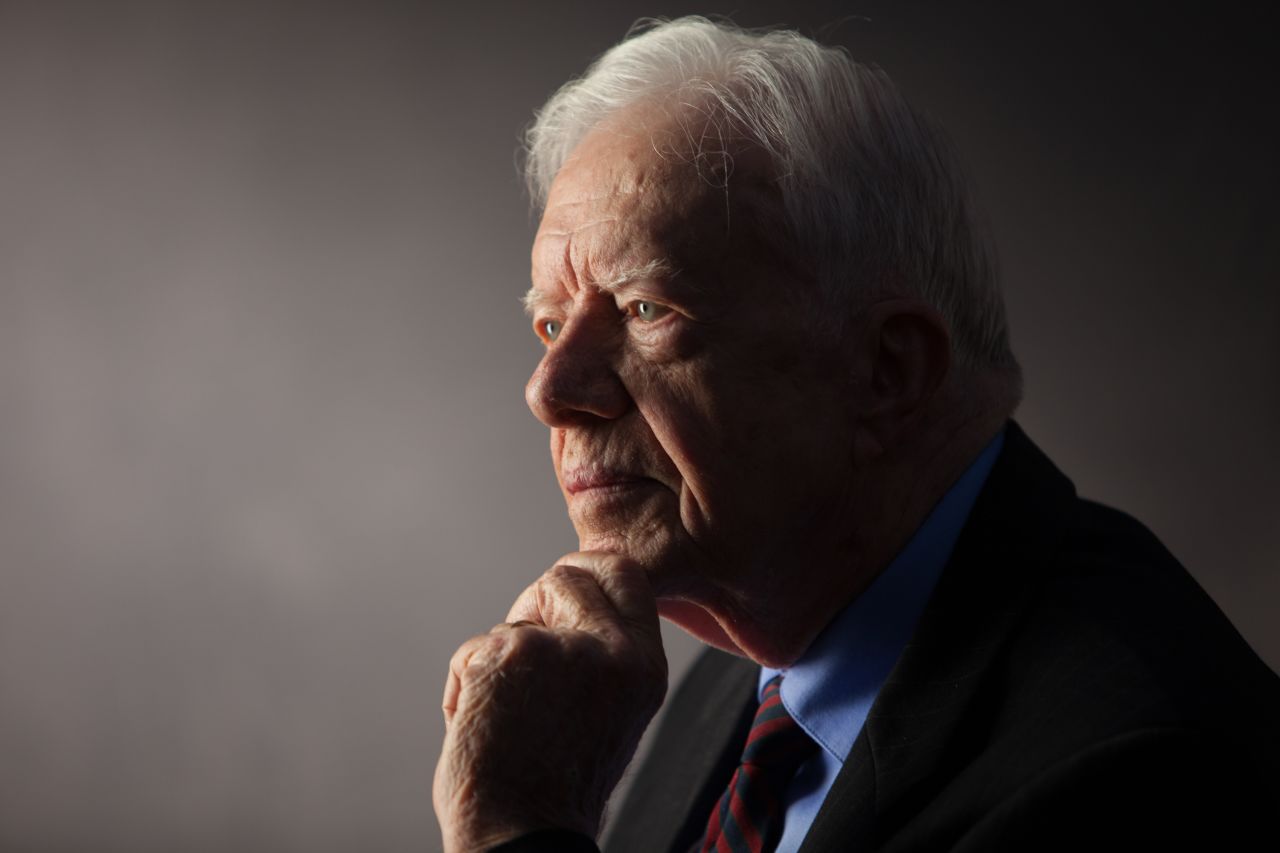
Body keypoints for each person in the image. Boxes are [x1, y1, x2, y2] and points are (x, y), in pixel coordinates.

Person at [433, 17, 1280, 853]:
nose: (550, 391)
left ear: (889, 371)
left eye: (646, 310)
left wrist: (519, 829)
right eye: (551, 326)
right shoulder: (753, 640)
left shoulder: (1138, 775)